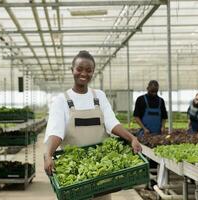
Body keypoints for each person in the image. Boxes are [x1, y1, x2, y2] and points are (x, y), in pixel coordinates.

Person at [43, 50, 142, 200]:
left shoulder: (99, 96)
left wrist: (131, 138)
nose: (84, 73)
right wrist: (48, 154)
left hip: (99, 172)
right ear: (72, 70)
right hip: (75, 173)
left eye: (89, 70)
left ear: (93, 72)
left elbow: (111, 122)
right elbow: (56, 132)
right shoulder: (61, 100)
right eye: (79, 69)